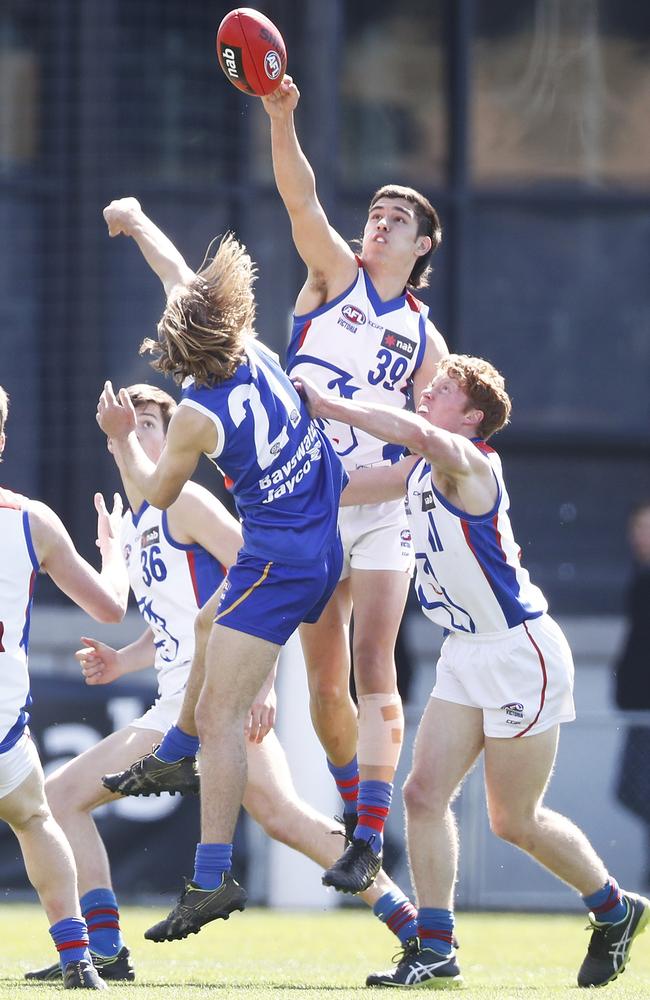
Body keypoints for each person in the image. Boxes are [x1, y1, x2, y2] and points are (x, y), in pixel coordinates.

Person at [27, 382, 422, 978]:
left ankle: (104, 952)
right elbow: (178, 628)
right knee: (285, 817)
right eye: (128, 426)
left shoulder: (183, 500)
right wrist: (122, 660)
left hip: (217, 698)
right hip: (183, 699)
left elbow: (264, 577)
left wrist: (260, 686)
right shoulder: (138, 525)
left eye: (151, 425)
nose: (136, 434)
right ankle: (413, 926)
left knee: (59, 800)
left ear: (175, 436)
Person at [293, 354, 650, 989]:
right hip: (464, 651)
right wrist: (264, 479)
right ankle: (437, 949)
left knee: (513, 820)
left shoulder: (469, 461)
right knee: (422, 795)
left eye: (444, 389)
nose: (427, 393)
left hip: (519, 653)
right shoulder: (419, 470)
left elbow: (423, 437)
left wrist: (332, 405)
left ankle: (614, 910)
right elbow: (346, 490)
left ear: (473, 416)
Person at [91, 196, 347, 943]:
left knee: (221, 717)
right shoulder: (252, 346)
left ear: (180, 355)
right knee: (209, 622)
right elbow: (178, 274)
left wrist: (121, 439)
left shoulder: (198, 414)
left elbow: (155, 494)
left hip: (280, 559)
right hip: (316, 536)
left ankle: (210, 879)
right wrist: (138, 220)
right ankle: (175, 753)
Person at [261, 75, 449, 894]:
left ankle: (371, 836)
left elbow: (425, 451)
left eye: (397, 217)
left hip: (372, 504)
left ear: (422, 247)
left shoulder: (424, 338)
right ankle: (355, 815)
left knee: (378, 659)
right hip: (310, 502)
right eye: (376, 211)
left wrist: (363, 488)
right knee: (323, 687)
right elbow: (300, 194)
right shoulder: (333, 273)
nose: (379, 221)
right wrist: (281, 115)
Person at [0, 385, 129, 990]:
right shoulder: (33, 521)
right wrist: (116, 553)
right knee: (33, 817)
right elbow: (109, 608)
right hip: (2, 719)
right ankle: (78, 956)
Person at [613, 502, 650, 890]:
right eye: (636, 528)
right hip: (639, 708)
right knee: (631, 789)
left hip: (645, 708)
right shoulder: (639, 578)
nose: (640, 537)